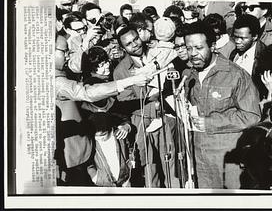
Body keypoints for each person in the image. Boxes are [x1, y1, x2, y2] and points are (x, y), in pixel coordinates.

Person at [182, 20, 261, 188]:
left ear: (212, 46)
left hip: (226, 162)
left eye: (198, 48)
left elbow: (252, 116)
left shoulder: (236, 75)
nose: (193, 54)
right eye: (189, 48)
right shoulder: (188, 75)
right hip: (198, 159)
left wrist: (211, 122)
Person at [114, 25, 180, 188]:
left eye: (135, 39)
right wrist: (153, 101)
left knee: (172, 164)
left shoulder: (156, 53)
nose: (135, 44)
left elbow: (173, 53)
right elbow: (126, 103)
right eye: (129, 44)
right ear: (123, 48)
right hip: (142, 122)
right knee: (150, 168)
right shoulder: (121, 71)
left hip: (165, 118)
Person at [87, 112, 133, 187]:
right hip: (104, 183)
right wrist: (95, 177)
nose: (99, 138)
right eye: (96, 136)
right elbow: (87, 162)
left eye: (103, 135)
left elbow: (131, 150)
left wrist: (129, 170)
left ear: (111, 129)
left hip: (125, 180)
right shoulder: (91, 142)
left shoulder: (120, 136)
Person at [230, 14, 266, 99]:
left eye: (243, 38)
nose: (237, 41)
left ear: (255, 36)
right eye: (235, 37)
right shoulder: (234, 53)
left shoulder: (264, 56)